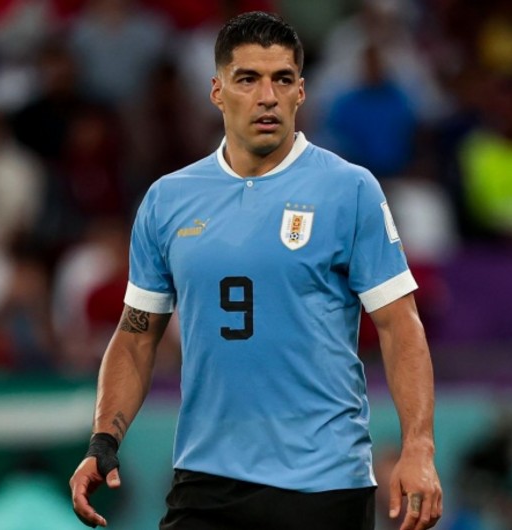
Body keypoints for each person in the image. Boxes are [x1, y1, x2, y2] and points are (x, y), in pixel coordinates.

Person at [69, 11, 442, 530]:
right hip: (205, 482)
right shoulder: (167, 200)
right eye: (247, 79)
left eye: (282, 80)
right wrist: (104, 440)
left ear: (301, 93)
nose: (267, 96)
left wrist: (418, 448)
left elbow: (400, 326)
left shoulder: (349, 189)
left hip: (325, 482)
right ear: (217, 91)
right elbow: (135, 337)